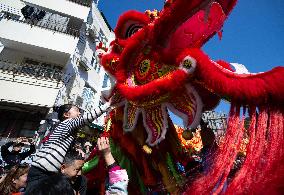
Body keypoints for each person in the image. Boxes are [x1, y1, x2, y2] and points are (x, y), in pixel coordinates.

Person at [25, 103, 112, 191]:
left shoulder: (67, 131)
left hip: (46, 172)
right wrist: (108, 104)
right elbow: (86, 118)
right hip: (41, 172)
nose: (79, 114)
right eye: (77, 111)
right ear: (66, 114)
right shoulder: (66, 123)